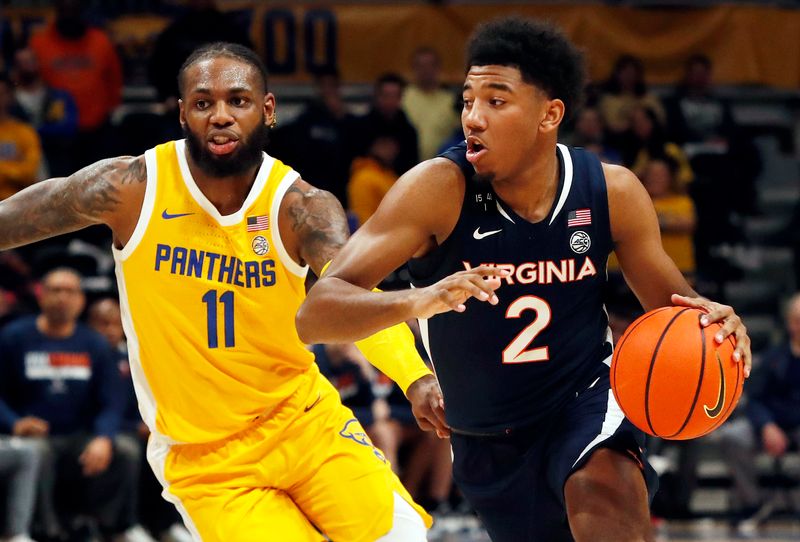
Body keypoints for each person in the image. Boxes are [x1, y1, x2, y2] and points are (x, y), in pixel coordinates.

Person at [298, 17, 752, 542]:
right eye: (467, 100)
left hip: (582, 401)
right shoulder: (437, 190)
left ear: (549, 114)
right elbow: (317, 315)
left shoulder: (611, 192)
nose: (473, 117)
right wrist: (421, 300)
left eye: (496, 100)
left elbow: (674, 309)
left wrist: (714, 325)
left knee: (604, 488)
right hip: (484, 435)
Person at [0, 42, 437, 541]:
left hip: (304, 420)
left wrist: (416, 378)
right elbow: (25, 212)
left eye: (238, 101)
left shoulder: (301, 207)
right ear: (182, 113)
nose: (221, 116)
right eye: (204, 103)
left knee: (402, 536)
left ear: (267, 110)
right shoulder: (131, 187)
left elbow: (355, 296)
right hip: (207, 458)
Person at [0, 268, 142, 542]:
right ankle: (45, 529)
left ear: (81, 300)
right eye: (56, 290)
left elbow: (111, 402)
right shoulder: (13, 337)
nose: (63, 297)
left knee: (125, 450)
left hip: (79, 434)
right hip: (35, 435)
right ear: (42, 296)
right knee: (35, 452)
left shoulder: (94, 344)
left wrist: (103, 437)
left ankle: (107, 527)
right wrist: (14, 423)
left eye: (70, 291)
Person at [87, 298, 192, 542]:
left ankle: (171, 523)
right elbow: (103, 408)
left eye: (116, 323)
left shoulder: (135, 354)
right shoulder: (90, 356)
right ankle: (128, 524)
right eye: (103, 324)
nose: (111, 330)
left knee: (174, 444)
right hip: (105, 430)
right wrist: (133, 427)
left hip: (139, 428)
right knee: (131, 451)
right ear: (89, 324)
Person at [719, 292, 800, 535]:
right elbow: (755, 399)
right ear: (790, 323)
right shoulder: (774, 357)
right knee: (733, 436)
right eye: (797, 319)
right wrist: (767, 426)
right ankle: (752, 504)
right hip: (773, 424)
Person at [0, 73, 42, 201]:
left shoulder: (24, 132)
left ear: (10, 95)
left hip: (17, 203)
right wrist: (13, 164)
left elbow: (29, 173)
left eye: (2, 93)